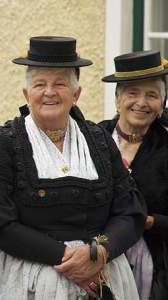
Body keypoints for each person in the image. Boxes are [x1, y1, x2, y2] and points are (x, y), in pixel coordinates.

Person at [0, 36, 145, 299]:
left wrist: (99, 253)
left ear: (76, 94)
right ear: (26, 94)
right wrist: (68, 258)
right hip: (29, 276)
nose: (49, 92)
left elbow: (130, 211)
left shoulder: (99, 139)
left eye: (60, 84)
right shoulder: (6, 141)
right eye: (40, 84)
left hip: (102, 273)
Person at [100, 50, 168, 300]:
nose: (141, 102)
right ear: (118, 100)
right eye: (132, 93)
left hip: (155, 266)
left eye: (152, 95)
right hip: (94, 255)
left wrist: (149, 221)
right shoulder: (94, 139)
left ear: (161, 104)